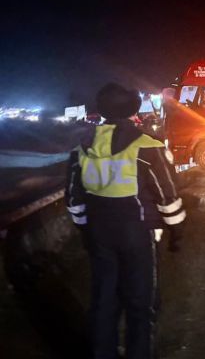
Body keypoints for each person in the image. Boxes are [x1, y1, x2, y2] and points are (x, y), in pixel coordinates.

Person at [65, 82, 185, 359]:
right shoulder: (147, 146)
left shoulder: (81, 148)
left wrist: (85, 231)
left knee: (104, 300)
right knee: (141, 304)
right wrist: (177, 231)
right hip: (139, 234)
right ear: (134, 108)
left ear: (101, 109)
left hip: (99, 235)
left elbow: (73, 198)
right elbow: (167, 196)